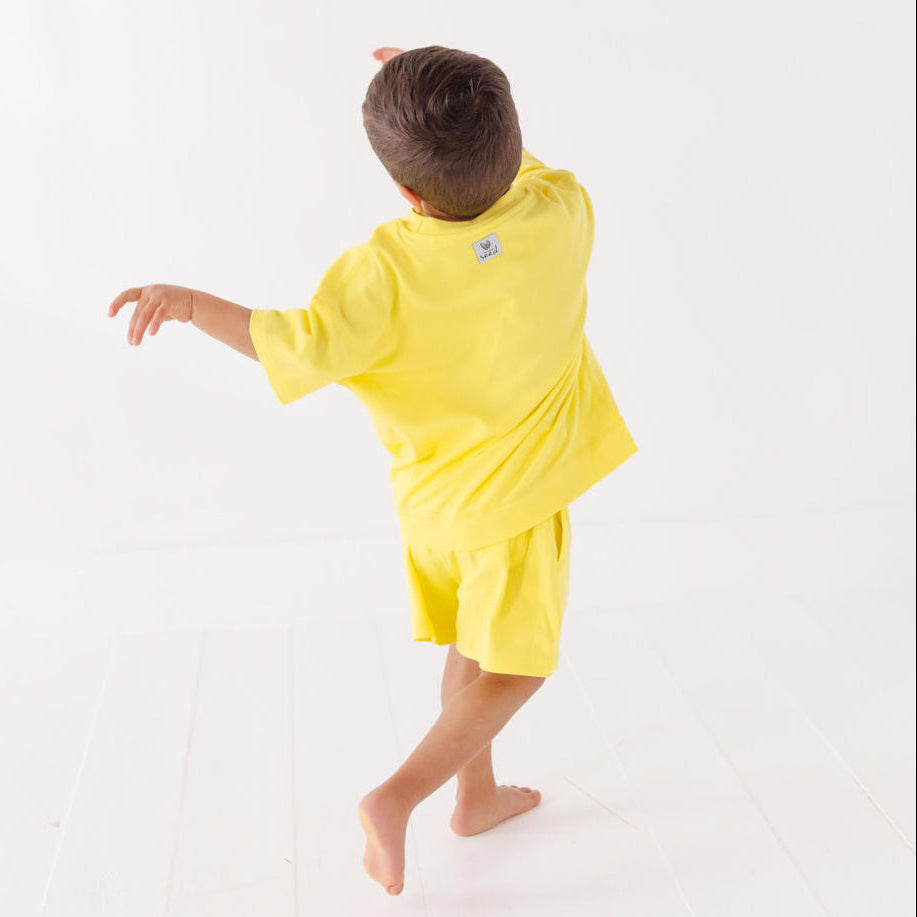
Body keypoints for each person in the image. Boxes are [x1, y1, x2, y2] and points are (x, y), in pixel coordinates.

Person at [107, 44, 639, 897]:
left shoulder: (381, 275)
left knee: (473, 650)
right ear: (508, 140)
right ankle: (395, 798)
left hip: (432, 511)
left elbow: (285, 341)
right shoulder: (563, 214)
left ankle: (476, 796)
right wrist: (463, 113)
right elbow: (524, 169)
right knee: (516, 669)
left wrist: (190, 301)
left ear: (405, 192)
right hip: (514, 512)